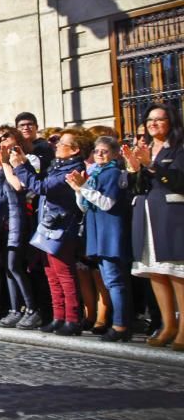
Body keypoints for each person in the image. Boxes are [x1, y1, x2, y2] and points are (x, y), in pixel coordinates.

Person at [9, 129, 89, 336]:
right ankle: (58, 316)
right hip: (48, 224)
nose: (57, 146)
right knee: (51, 273)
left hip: (62, 226)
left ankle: (72, 318)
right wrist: (24, 164)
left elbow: (41, 187)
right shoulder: (59, 166)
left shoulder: (73, 170)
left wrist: (19, 167)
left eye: (62, 143)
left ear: (75, 150)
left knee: (64, 273)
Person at [123, 103, 184, 350]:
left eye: (159, 119)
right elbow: (133, 187)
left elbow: (178, 181)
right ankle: (168, 324)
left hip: (171, 215)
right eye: (150, 120)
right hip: (146, 215)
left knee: (176, 272)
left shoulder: (178, 148)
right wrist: (133, 168)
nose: (153, 124)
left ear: (171, 122)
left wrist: (151, 165)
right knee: (157, 272)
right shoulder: (145, 148)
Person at [68, 135, 133, 342]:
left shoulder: (113, 172)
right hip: (97, 229)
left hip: (111, 230)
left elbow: (107, 203)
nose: (100, 155)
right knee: (108, 279)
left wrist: (84, 188)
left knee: (115, 280)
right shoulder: (96, 173)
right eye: (97, 151)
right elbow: (84, 206)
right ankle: (118, 322)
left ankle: (121, 324)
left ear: (114, 154)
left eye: (105, 151)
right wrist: (79, 190)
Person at [0, 126, 41, 330]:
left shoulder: (30, 159)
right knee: (8, 268)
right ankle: (15, 309)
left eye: (6, 136)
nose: (3, 141)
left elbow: (19, 186)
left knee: (15, 266)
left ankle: (32, 308)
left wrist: (6, 166)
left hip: (21, 217)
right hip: (3, 219)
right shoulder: (1, 164)